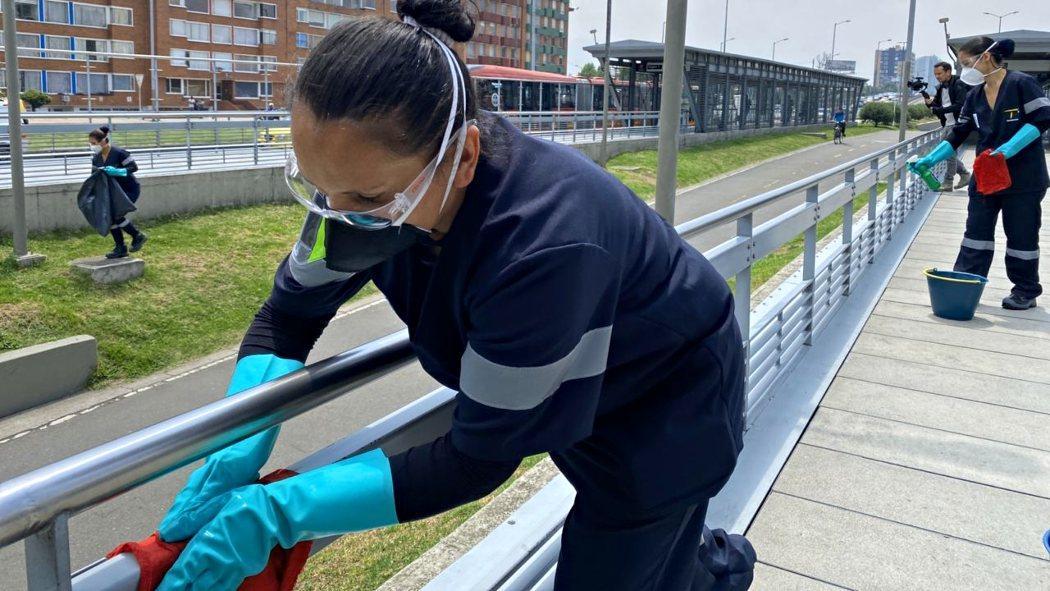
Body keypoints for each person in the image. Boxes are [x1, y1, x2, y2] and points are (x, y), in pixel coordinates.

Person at [154, 2, 757, 590]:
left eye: (366, 199)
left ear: (464, 157)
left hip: (664, 404)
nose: (337, 219)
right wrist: (230, 452)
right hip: (576, 387)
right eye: (316, 188)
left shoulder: (543, 245)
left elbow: (477, 460)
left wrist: (279, 512)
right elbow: (286, 318)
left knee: (621, 545)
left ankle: (723, 570)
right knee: (647, 548)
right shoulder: (359, 196)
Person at [910, 37, 1050, 310]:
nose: (965, 69)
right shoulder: (974, 96)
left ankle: (1025, 290)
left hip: (1023, 177)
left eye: (966, 63)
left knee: (1021, 235)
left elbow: (1042, 118)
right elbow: (959, 133)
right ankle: (966, 279)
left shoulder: (1022, 84)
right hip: (986, 176)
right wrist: (930, 158)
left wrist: (1009, 148)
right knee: (976, 231)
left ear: (985, 57)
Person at [89, 126, 147, 258]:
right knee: (110, 217)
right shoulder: (96, 158)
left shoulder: (119, 153)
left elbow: (134, 167)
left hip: (129, 189)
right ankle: (120, 247)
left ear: (103, 140)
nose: (92, 146)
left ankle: (137, 235)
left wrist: (118, 171)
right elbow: (94, 176)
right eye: (90, 143)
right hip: (113, 192)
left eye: (94, 143)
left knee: (115, 215)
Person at [925, 61, 972, 191]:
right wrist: (929, 103)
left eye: (939, 73)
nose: (937, 76)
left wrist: (940, 110)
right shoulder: (940, 87)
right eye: (935, 74)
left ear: (948, 72)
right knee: (947, 153)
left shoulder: (958, 83)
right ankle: (964, 174)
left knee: (948, 153)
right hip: (946, 124)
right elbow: (937, 105)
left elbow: (959, 105)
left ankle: (948, 182)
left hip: (957, 124)